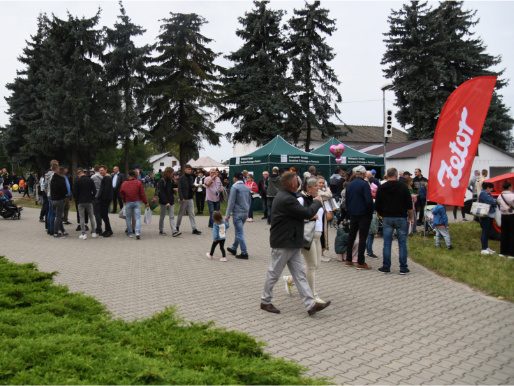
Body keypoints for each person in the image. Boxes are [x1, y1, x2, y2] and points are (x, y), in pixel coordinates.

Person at [260, 171, 331, 316]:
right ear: (293, 184)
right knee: (274, 273)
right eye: (297, 181)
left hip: (292, 241)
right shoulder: (286, 199)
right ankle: (265, 301)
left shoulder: (287, 197)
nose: (299, 183)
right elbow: (306, 212)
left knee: (300, 275)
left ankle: (311, 304)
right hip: (284, 242)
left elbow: (301, 214)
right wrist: (317, 201)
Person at [283, 176, 328, 303]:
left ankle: (290, 279)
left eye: (321, 185)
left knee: (316, 265)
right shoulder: (301, 199)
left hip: (318, 236)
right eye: (316, 185)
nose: (319, 187)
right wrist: (310, 217)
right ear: (308, 187)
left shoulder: (318, 198)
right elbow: (295, 216)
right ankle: (312, 295)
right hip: (307, 236)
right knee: (312, 265)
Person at [375, 168, 414, 275]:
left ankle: (386, 267)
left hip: (387, 217)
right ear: (396, 175)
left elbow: (377, 205)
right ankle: (403, 268)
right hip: (401, 217)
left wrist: (383, 214)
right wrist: (410, 217)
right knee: (402, 243)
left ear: (387, 175)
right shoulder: (403, 187)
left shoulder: (382, 188)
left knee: (387, 243)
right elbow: (409, 205)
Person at [345, 165, 374, 270]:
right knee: (362, 237)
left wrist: (349, 212)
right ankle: (360, 262)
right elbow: (369, 201)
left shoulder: (349, 185)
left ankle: (348, 259)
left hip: (353, 213)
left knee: (351, 235)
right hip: (364, 214)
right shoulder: (364, 184)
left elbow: (347, 200)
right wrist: (370, 212)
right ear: (364, 174)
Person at [225, 172, 251, 259]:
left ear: (235, 178)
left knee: (239, 233)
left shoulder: (234, 187)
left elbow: (231, 202)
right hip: (245, 212)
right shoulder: (246, 187)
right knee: (238, 231)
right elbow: (249, 200)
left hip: (237, 213)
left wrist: (227, 215)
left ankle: (244, 252)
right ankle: (234, 248)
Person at [120, 170, 149, 239]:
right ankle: (137, 232)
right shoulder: (138, 183)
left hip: (128, 202)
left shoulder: (124, 183)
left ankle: (130, 233)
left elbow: (121, 193)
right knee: (138, 217)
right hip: (137, 202)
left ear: (129, 175)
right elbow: (142, 194)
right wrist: (145, 202)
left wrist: (124, 200)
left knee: (128, 218)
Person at [177, 164, 202, 235]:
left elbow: (191, 185)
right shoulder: (181, 178)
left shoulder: (191, 177)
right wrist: (181, 198)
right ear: (185, 169)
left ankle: (194, 228)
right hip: (184, 198)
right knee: (180, 214)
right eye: (188, 169)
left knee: (192, 214)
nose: (190, 170)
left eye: (190, 169)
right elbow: (180, 189)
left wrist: (193, 188)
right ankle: (177, 227)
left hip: (190, 198)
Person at [73, 168, 97, 240]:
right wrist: (92, 197)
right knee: (91, 217)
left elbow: (74, 192)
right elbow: (94, 190)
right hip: (89, 201)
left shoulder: (77, 181)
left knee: (82, 217)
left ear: (79, 175)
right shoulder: (90, 180)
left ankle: (83, 233)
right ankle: (93, 232)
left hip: (80, 201)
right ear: (84, 174)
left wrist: (76, 199)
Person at [157, 167, 181, 237]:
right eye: (172, 173)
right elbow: (162, 193)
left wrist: (174, 191)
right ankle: (161, 230)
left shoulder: (171, 181)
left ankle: (174, 231)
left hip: (171, 201)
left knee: (172, 216)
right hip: (164, 202)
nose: (173, 174)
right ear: (169, 173)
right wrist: (166, 202)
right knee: (162, 216)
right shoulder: (162, 181)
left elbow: (171, 190)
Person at [479, 182, 498, 255]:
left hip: (489, 215)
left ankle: (486, 247)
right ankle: (483, 248)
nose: (491, 189)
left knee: (487, 231)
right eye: (491, 188)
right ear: (487, 188)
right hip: (486, 215)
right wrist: (495, 201)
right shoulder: (484, 193)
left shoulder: (486, 193)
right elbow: (492, 201)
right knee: (485, 231)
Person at [497, 181, 514, 258]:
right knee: (512, 234)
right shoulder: (512, 196)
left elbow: (499, 203)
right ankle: (511, 253)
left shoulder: (500, 196)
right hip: (512, 215)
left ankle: (503, 252)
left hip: (503, 215)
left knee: (504, 233)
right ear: (510, 187)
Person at [50, 166, 68, 238]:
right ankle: (56, 232)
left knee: (58, 216)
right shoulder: (61, 179)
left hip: (53, 200)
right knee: (58, 217)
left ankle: (63, 230)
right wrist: (65, 194)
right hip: (59, 200)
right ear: (62, 173)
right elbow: (64, 190)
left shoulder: (53, 178)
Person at [97, 165, 114, 237]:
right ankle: (107, 229)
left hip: (105, 198)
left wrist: (100, 197)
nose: (100, 172)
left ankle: (109, 230)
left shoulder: (107, 178)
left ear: (106, 170)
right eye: (100, 170)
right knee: (103, 214)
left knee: (104, 214)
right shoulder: (105, 178)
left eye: (102, 170)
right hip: (104, 198)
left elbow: (106, 189)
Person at [44, 161, 59, 236]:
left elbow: (45, 186)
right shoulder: (54, 176)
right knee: (53, 212)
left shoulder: (47, 175)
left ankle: (49, 228)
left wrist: (47, 193)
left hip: (49, 194)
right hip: (53, 195)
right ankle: (52, 229)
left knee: (50, 212)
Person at [91, 165, 103, 235]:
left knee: (96, 213)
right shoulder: (102, 177)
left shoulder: (93, 177)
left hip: (95, 196)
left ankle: (98, 228)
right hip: (101, 196)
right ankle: (100, 226)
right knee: (100, 212)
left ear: (94, 170)